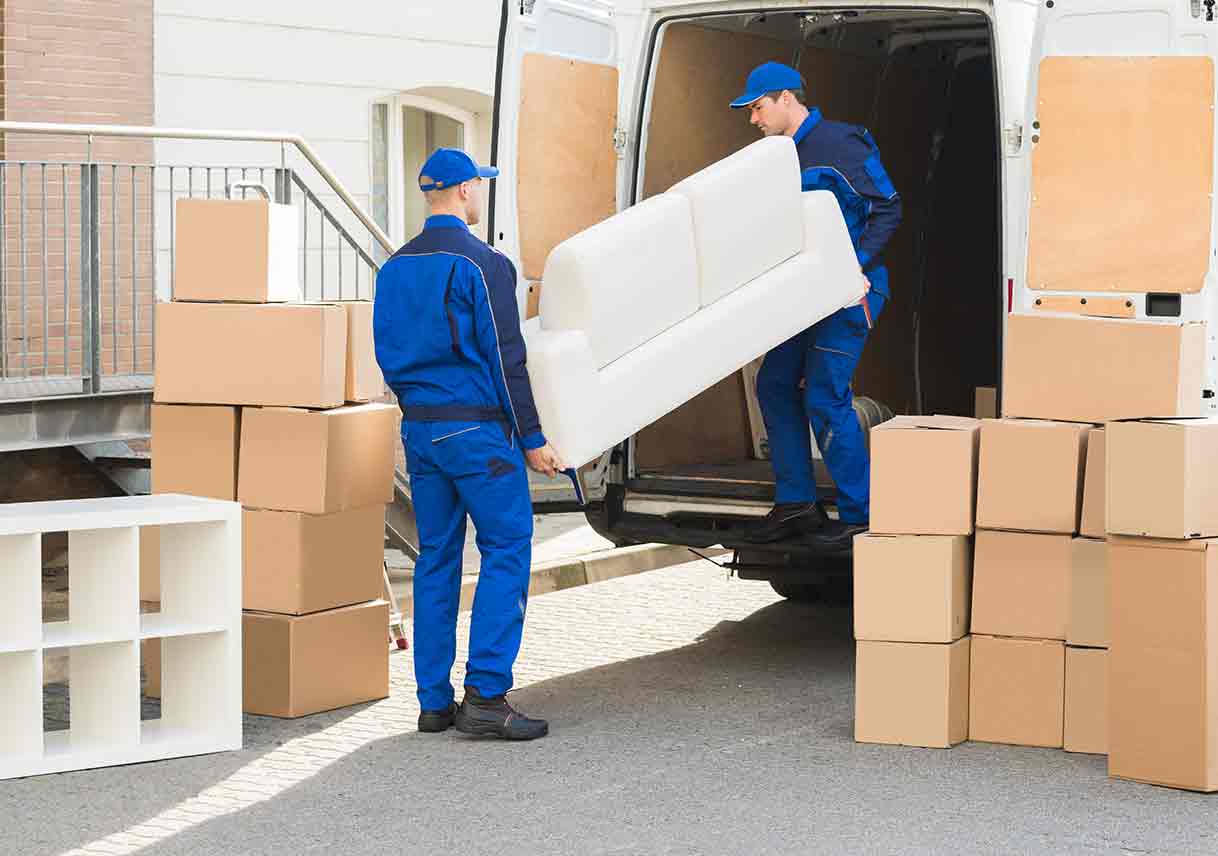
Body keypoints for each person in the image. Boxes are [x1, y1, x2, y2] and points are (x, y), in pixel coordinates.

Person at [373, 147, 563, 741]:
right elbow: (509, 361)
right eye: (477, 185)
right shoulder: (484, 264)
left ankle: (433, 702)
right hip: (476, 431)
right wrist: (532, 438)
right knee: (508, 546)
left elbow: (385, 353)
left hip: (420, 431)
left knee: (437, 559)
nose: (480, 193)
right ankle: (486, 694)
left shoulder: (394, 267)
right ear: (461, 191)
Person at [731, 61, 902, 547]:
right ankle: (797, 506)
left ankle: (860, 514)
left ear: (787, 99)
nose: (753, 119)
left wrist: (853, 268)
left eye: (758, 107)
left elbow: (889, 207)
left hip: (849, 296)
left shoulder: (840, 144)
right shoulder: (773, 158)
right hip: (802, 298)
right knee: (774, 384)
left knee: (825, 396)